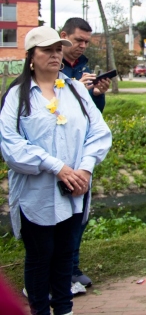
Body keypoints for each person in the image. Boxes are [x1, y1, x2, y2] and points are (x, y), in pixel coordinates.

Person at [0, 26, 112, 315]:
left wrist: (85, 169)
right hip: (37, 193)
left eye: (58, 49)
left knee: (65, 256)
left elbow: (98, 132)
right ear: (31, 56)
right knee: (40, 257)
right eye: (47, 50)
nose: (54, 54)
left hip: (74, 189)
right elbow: (12, 146)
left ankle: (64, 309)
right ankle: (40, 310)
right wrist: (57, 167)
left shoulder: (74, 90)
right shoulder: (17, 95)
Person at [59, 17, 111, 290]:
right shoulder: (50, 66)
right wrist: (76, 86)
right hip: (56, 151)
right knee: (56, 216)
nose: (81, 46)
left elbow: (93, 114)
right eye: (78, 40)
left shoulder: (83, 66)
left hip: (81, 151)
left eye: (86, 42)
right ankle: (53, 272)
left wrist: (98, 93)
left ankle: (72, 267)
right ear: (63, 35)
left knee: (79, 213)